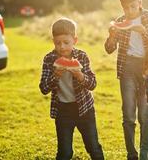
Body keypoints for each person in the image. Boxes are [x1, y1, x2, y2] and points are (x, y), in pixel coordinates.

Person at [104, 0, 148, 160]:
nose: (129, 11)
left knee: (145, 115)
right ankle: (132, 154)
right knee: (129, 114)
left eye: (133, 6)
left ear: (140, 2)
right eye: (125, 7)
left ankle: (147, 152)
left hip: (147, 69)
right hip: (127, 68)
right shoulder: (120, 20)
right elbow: (109, 49)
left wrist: (144, 32)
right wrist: (112, 36)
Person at [39, 18, 104, 160]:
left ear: (75, 40)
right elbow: (43, 88)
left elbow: (92, 84)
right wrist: (55, 76)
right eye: (58, 43)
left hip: (85, 109)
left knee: (93, 147)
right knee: (65, 153)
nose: (62, 47)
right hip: (63, 111)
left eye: (66, 42)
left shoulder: (81, 56)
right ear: (53, 41)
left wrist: (80, 76)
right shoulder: (49, 59)